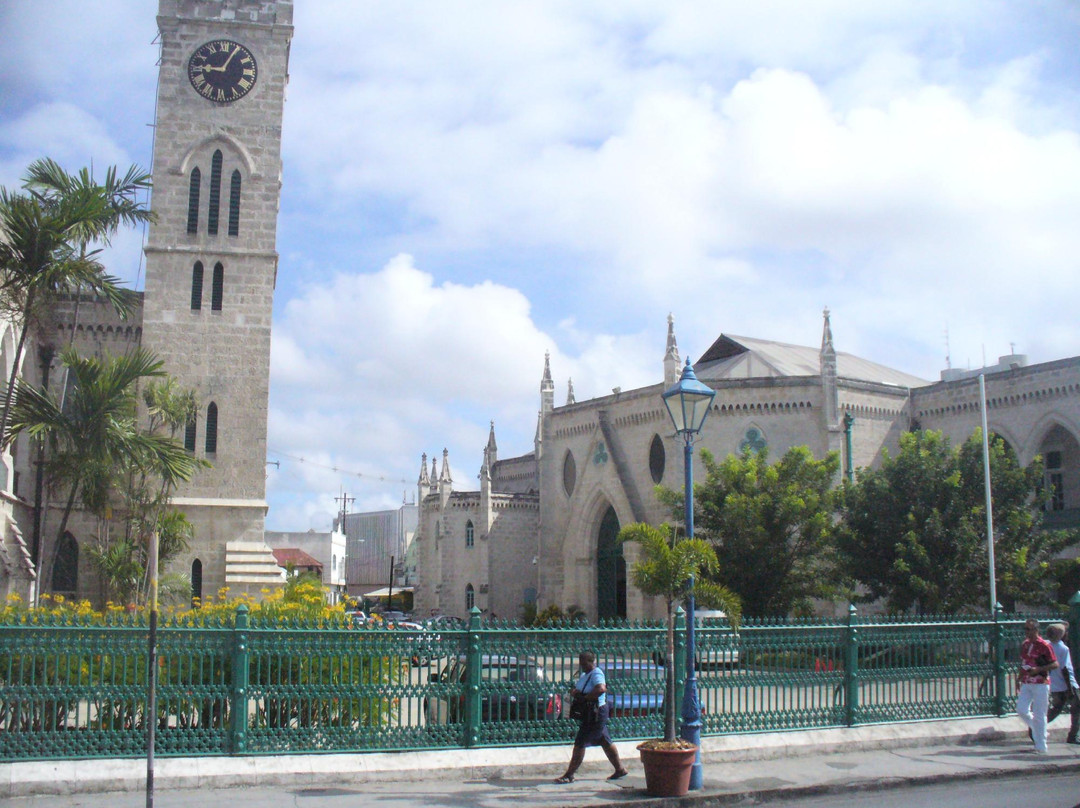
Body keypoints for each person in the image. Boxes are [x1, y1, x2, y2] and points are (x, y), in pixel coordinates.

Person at [554, 651, 628, 783]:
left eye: (583, 662)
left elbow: (601, 689)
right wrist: (576, 693)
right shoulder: (585, 674)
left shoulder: (596, 673)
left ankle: (569, 774)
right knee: (604, 740)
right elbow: (582, 689)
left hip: (596, 712)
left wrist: (585, 698)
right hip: (590, 712)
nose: (581, 665)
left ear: (590, 662)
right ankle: (620, 769)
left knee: (580, 741)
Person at [1017, 618, 1058, 754]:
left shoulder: (1044, 645)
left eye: (1029, 629)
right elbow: (1024, 662)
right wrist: (1019, 678)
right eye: (1025, 629)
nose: (1027, 632)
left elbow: (1054, 664)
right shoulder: (1025, 645)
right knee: (1021, 709)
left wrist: (1039, 670)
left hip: (1041, 683)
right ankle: (1039, 730)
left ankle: (1041, 746)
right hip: (1027, 681)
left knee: (1040, 714)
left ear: (1036, 630)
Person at [1045, 622, 1079, 744]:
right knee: (1076, 709)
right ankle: (1073, 735)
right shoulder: (1063, 648)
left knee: (1056, 709)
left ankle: (1037, 724)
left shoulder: (1047, 645)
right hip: (1067, 684)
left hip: (1055, 685)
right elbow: (1065, 669)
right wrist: (1070, 689)